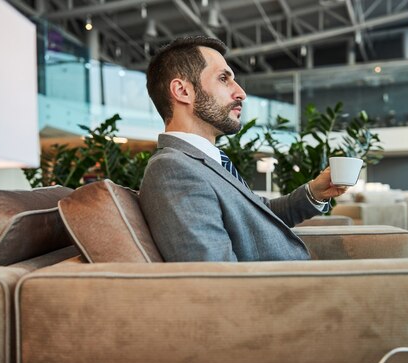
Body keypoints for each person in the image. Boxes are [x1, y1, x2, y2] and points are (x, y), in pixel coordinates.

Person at [140, 36, 347, 262]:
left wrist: (314, 193)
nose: (241, 93)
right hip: (288, 291)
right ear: (182, 91)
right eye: (223, 79)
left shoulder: (206, 161)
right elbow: (217, 275)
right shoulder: (172, 170)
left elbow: (257, 214)